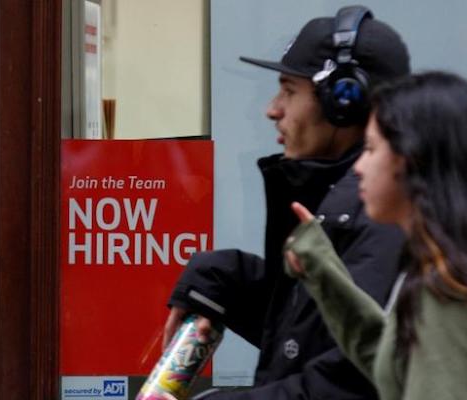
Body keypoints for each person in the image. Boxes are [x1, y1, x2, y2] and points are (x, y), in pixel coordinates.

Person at [163, 6, 411, 399]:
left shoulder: (384, 216)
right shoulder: (339, 198)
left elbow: (347, 384)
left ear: (343, 103)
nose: (271, 109)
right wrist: (221, 277)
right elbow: (305, 334)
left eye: (289, 91)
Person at [285, 71, 467, 399]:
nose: (359, 167)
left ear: (410, 159)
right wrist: (322, 272)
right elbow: (401, 367)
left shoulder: (448, 288)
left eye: (371, 148)